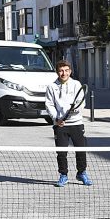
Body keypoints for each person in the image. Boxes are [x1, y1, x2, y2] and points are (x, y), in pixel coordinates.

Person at [45, 59, 92, 187]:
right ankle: (63, 175)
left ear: (70, 71)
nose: (63, 73)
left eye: (66, 70)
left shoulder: (76, 84)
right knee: (61, 152)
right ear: (57, 72)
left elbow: (82, 102)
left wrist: (76, 109)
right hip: (60, 125)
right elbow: (49, 104)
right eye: (61, 71)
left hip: (76, 124)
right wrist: (56, 118)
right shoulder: (51, 87)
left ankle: (81, 173)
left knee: (81, 150)